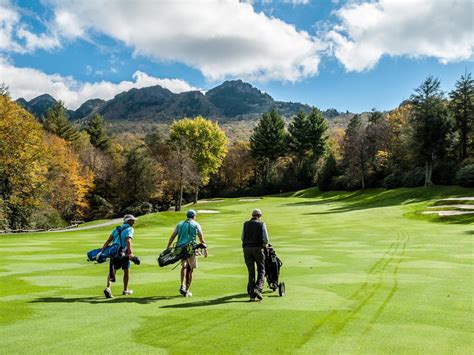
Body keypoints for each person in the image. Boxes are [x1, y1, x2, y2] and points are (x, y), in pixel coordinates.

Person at [166, 210, 207, 297]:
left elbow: (173, 236)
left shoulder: (180, 224)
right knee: (190, 269)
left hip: (180, 248)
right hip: (191, 249)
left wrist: (168, 247)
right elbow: (201, 238)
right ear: (194, 216)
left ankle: (182, 285)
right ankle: (187, 290)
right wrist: (205, 250)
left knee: (184, 266)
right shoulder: (196, 224)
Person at [99, 214, 137, 298]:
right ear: (128, 221)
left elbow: (108, 241)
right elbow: (128, 241)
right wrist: (130, 253)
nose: (134, 222)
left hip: (114, 251)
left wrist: (101, 251)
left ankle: (108, 288)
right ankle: (125, 290)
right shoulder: (130, 229)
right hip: (124, 252)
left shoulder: (116, 229)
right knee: (126, 270)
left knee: (113, 271)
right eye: (133, 220)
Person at [241, 208, 269, 301]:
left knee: (251, 272)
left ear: (252, 215)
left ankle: (252, 295)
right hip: (257, 248)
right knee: (261, 269)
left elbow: (242, 237)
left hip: (246, 249)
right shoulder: (261, 224)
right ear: (259, 216)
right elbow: (265, 239)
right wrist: (265, 246)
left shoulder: (245, 224)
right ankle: (258, 289)